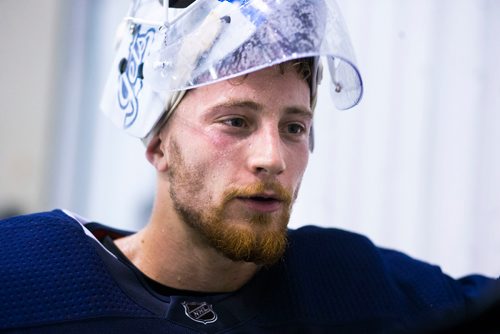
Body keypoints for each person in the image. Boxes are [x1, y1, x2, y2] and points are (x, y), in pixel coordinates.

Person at [0, 0, 497, 333]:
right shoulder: (27, 278)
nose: (273, 158)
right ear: (157, 143)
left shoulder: (347, 282)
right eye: (236, 121)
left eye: (294, 127)